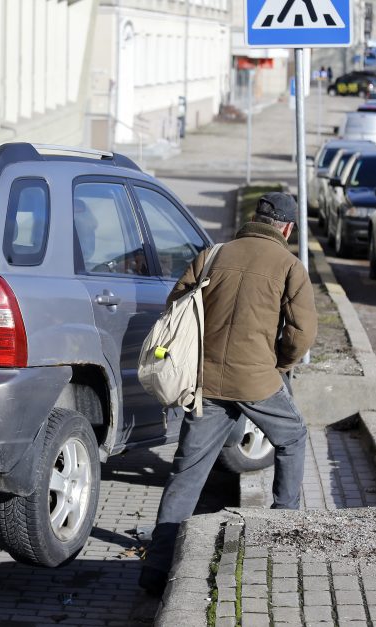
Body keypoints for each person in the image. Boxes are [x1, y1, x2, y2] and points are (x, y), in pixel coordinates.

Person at [138, 192, 318, 597]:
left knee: (186, 475)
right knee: (292, 437)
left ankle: (155, 572)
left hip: (207, 385)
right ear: (287, 228)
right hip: (257, 380)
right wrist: (280, 366)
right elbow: (302, 334)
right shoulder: (290, 265)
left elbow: (176, 305)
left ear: (254, 219)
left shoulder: (214, 254)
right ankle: (282, 525)